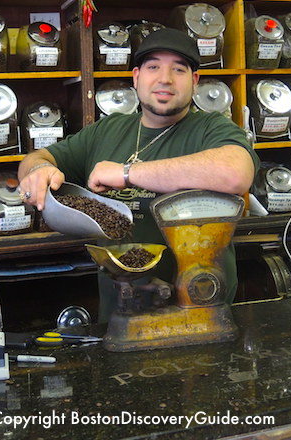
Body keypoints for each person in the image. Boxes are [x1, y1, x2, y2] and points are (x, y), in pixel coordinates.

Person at [17, 27, 259, 321]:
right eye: (153, 67)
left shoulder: (212, 128)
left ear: (195, 82)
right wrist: (38, 170)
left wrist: (128, 173)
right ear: (136, 78)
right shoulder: (108, 130)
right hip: (119, 310)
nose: (165, 79)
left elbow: (235, 172)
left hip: (201, 308)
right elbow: (38, 157)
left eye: (178, 70)